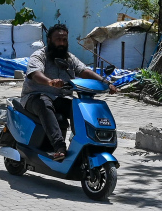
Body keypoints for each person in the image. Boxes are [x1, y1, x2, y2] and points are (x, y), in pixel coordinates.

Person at [22, 23, 117, 161]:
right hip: (35, 96)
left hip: (59, 98)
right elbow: (35, 74)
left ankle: (85, 142)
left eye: (64, 40)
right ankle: (59, 146)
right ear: (49, 40)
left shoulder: (70, 58)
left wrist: (106, 82)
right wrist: (49, 82)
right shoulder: (39, 56)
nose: (61, 43)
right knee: (44, 104)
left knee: (79, 107)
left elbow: (84, 71)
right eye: (58, 39)